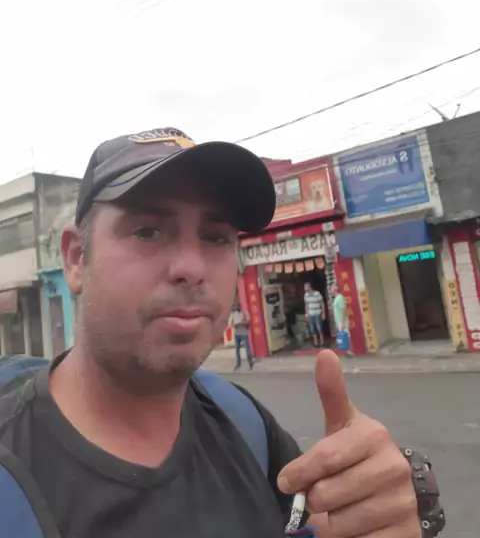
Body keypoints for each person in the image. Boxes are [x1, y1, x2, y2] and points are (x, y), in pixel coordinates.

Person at [0, 126, 442, 538]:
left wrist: (376, 511)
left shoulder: (244, 423)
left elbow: (317, 522)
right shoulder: (13, 467)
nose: (191, 268)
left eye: (216, 238)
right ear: (77, 258)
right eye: (148, 231)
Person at [229, 303, 254, 370]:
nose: (236, 308)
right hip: (237, 334)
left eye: (237, 307)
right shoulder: (233, 314)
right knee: (237, 350)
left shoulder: (245, 313)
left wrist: (242, 323)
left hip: (244, 333)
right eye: (235, 307)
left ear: (240, 307)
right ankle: (238, 364)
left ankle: (250, 363)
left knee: (247, 349)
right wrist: (235, 324)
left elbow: (248, 321)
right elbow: (230, 324)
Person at [331, 283, 353, 357]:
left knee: (346, 335)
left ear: (335, 289)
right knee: (344, 336)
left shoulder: (340, 298)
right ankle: (347, 351)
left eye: (332, 288)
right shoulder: (336, 298)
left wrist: (342, 322)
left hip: (342, 321)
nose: (331, 289)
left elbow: (343, 309)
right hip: (339, 321)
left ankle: (350, 351)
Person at [304, 281, 326, 348]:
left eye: (305, 286)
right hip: (310, 314)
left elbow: (322, 303)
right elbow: (306, 305)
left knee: (319, 328)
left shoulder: (317, 293)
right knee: (312, 329)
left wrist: (323, 313)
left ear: (309, 287)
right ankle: (316, 342)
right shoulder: (306, 295)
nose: (304, 288)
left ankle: (322, 342)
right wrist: (306, 314)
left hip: (317, 313)